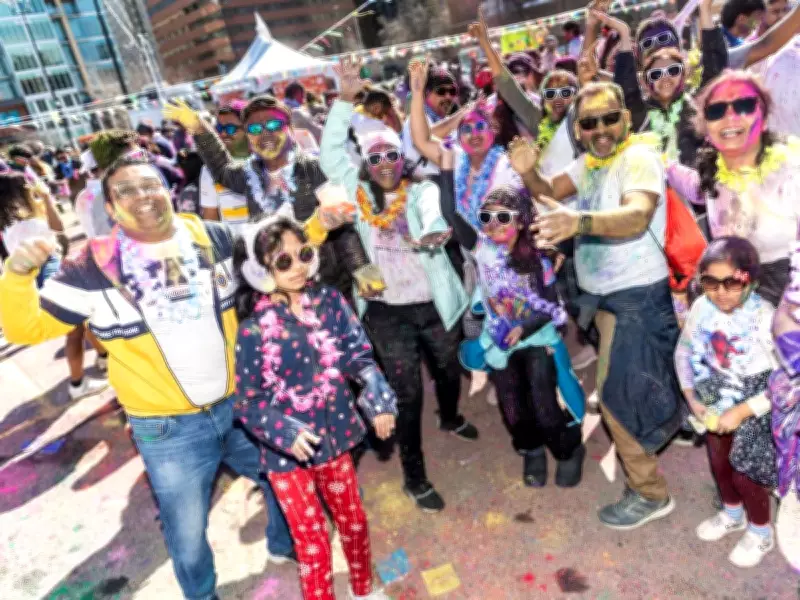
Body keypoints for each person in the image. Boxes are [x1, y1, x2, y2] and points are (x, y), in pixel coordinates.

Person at [0, 155, 293, 599]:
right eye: (126, 191)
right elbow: (27, 329)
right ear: (110, 208)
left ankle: (283, 544)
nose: (142, 196)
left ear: (167, 190)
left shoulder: (211, 237)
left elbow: (271, 249)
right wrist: (17, 276)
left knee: (283, 476)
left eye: (150, 184)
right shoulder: (91, 266)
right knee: (187, 530)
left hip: (239, 407)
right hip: (168, 429)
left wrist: (321, 224)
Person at [516, 81, 683, 529]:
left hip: (636, 297)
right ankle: (670, 428)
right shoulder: (588, 161)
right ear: (579, 131)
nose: (601, 129)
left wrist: (579, 221)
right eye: (590, 123)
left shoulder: (638, 157)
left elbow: (637, 214)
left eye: (610, 118)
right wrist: (529, 173)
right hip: (602, 298)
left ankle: (650, 493)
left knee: (616, 398)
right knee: (637, 384)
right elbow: (547, 189)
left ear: (626, 119)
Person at [320, 57, 478, 513]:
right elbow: (330, 155)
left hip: (432, 303)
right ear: (365, 165)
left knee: (448, 370)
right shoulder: (356, 194)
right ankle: (415, 477)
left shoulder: (421, 188)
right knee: (406, 392)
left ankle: (450, 416)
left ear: (401, 158)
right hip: (385, 310)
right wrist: (344, 100)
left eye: (391, 155)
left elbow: (432, 214)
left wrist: (434, 233)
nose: (385, 164)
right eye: (376, 158)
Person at [234, 209, 395, 600]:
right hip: (286, 456)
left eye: (303, 254)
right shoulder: (253, 329)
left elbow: (358, 353)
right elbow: (247, 401)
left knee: (353, 522)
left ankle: (363, 588)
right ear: (259, 270)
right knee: (311, 542)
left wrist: (378, 398)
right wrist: (285, 432)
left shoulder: (329, 301)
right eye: (283, 261)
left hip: (335, 436)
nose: (298, 267)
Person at [438, 148, 586, 486]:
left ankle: (568, 450)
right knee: (513, 408)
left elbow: (551, 308)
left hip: (536, 340)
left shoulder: (538, 259)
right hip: (500, 343)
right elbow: (450, 212)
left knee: (544, 405)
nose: (493, 225)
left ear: (520, 221)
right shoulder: (481, 249)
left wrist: (524, 327)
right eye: (486, 217)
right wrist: (446, 167)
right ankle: (532, 451)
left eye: (503, 217)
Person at [165, 96, 384, 303]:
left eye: (273, 125)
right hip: (278, 287)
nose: (265, 134)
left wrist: (360, 266)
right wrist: (199, 128)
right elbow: (221, 169)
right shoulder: (248, 175)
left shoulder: (313, 168)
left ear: (289, 128)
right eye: (254, 129)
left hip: (325, 281)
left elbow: (341, 224)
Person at [675, 237, 777, 568]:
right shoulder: (701, 307)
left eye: (732, 283)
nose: (720, 292)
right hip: (715, 389)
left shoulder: (767, 318)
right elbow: (684, 351)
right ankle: (732, 513)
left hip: (758, 398)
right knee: (719, 462)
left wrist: (744, 410)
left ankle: (761, 531)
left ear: (752, 281)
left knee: (747, 471)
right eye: (710, 282)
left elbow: (789, 381)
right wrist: (692, 396)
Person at [667, 70, 800, 306]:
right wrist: (657, 161)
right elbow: (690, 185)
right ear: (706, 129)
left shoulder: (791, 171)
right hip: (735, 305)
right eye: (716, 111)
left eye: (744, 105)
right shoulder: (714, 176)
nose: (730, 117)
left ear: (764, 118)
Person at [0, 170, 109, 399]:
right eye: (28, 184)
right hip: (54, 281)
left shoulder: (10, 226)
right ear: (20, 192)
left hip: (43, 281)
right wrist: (47, 198)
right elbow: (58, 227)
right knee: (75, 333)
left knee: (84, 323)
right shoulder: (31, 224)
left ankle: (103, 357)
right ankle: (77, 384)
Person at [400, 64, 468, 178]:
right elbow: (422, 139)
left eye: (452, 91)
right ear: (426, 93)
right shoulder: (413, 121)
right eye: (441, 91)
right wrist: (457, 118)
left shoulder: (449, 122)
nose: (448, 96)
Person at [199, 104, 251, 235]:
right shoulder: (209, 170)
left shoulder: (266, 162)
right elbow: (211, 219)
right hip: (235, 245)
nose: (223, 133)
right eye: (219, 128)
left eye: (230, 128)